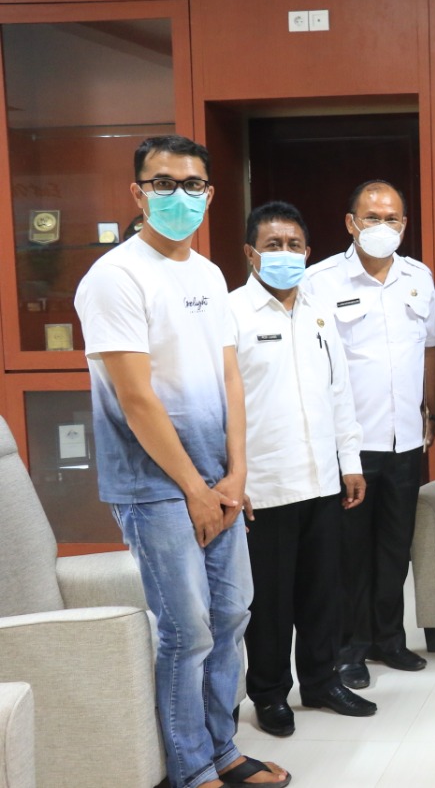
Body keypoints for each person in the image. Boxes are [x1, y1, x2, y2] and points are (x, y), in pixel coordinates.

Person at [74, 135, 289, 788]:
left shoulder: (208, 274)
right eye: (163, 183)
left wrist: (237, 473)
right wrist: (195, 486)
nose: (179, 196)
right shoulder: (114, 277)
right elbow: (136, 398)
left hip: (217, 478)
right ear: (138, 193)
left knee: (231, 615)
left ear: (210, 194)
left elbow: (230, 377)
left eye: (192, 184)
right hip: (155, 484)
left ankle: (223, 748)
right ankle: (191, 767)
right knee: (186, 628)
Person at [230, 201, 377, 736]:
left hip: (322, 479)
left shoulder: (319, 312)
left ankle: (320, 681)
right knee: (269, 601)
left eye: (294, 245)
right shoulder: (231, 314)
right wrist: (233, 477)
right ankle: (270, 694)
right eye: (273, 245)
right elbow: (219, 405)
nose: (285, 254)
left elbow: (339, 392)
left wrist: (350, 461)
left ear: (309, 252)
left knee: (323, 592)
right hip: (264, 484)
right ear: (251, 254)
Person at [303, 180, 435, 689]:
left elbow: (430, 347)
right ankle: (350, 649)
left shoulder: (417, 277)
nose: (383, 227)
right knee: (350, 551)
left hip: (405, 438)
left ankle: (389, 638)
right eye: (372, 217)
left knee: (395, 545)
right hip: (352, 445)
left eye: (392, 219)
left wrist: (433, 411)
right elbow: (312, 364)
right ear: (351, 223)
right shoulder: (320, 281)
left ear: (404, 225)